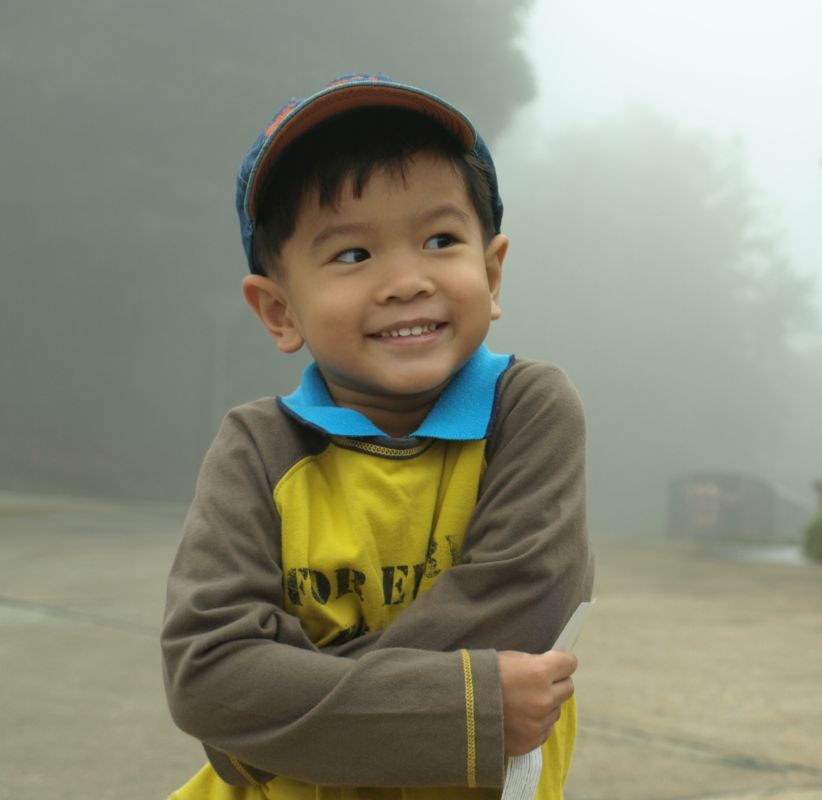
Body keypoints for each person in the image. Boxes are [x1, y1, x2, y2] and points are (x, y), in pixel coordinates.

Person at [161, 74, 594, 800]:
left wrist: (265, 730)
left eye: (439, 239)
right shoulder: (259, 450)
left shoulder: (526, 412)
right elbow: (207, 675)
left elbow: (520, 608)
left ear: (490, 273)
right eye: (353, 256)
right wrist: (475, 705)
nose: (405, 280)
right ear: (278, 312)